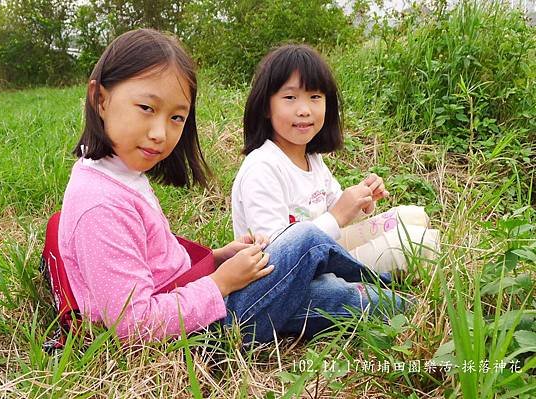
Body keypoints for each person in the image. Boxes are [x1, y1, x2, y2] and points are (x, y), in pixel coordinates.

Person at [59, 30, 405, 345]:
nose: (160, 133)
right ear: (100, 99)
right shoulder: (100, 204)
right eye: (146, 108)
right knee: (307, 246)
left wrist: (215, 259)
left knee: (318, 281)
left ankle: (384, 289)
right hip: (206, 332)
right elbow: (133, 325)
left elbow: (152, 259)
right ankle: (397, 297)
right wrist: (220, 283)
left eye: (176, 117)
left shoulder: (117, 176)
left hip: (199, 305)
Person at [232, 44, 440, 274]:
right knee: (419, 244)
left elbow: (338, 210)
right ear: (266, 107)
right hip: (296, 276)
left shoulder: (312, 158)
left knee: (412, 216)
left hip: (325, 251)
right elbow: (276, 255)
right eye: (290, 97)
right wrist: (337, 215)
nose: (304, 110)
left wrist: (363, 200)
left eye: (314, 97)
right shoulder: (262, 168)